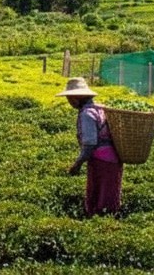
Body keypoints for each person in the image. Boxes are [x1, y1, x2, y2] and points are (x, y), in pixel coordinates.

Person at [55, 77, 122, 217]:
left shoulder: (87, 114)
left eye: (69, 98)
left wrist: (77, 164)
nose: (69, 101)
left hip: (101, 162)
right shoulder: (100, 108)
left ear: (76, 98)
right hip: (115, 159)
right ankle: (109, 220)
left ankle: (100, 222)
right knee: (110, 194)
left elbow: (90, 144)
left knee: (99, 198)